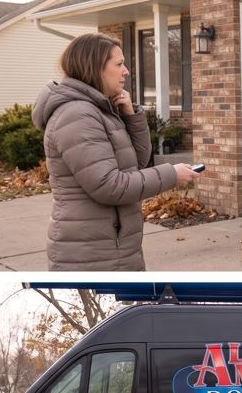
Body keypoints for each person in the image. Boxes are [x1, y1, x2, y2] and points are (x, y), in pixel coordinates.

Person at [32, 32, 200, 270]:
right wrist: (172, 175)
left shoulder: (99, 110)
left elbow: (137, 165)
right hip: (91, 251)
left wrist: (131, 117)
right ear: (95, 68)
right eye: (119, 64)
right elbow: (109, 185)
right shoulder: (78, 115)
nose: (126, 71)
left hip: (111, 244)